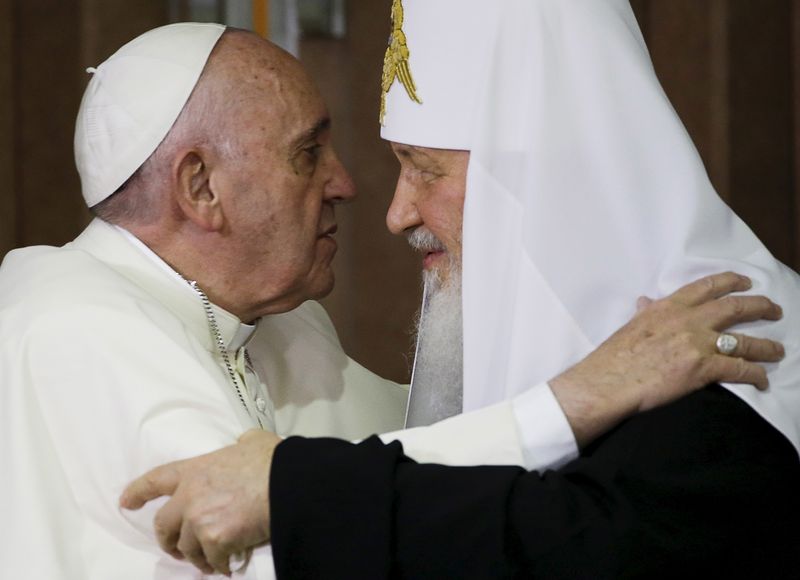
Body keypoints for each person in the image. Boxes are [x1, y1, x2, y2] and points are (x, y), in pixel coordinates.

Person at [121, 0, 800, 578]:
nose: (397, 213)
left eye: (424, 169)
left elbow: (561, 542)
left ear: (543, 178)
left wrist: (290, 488)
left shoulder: (731, 346)